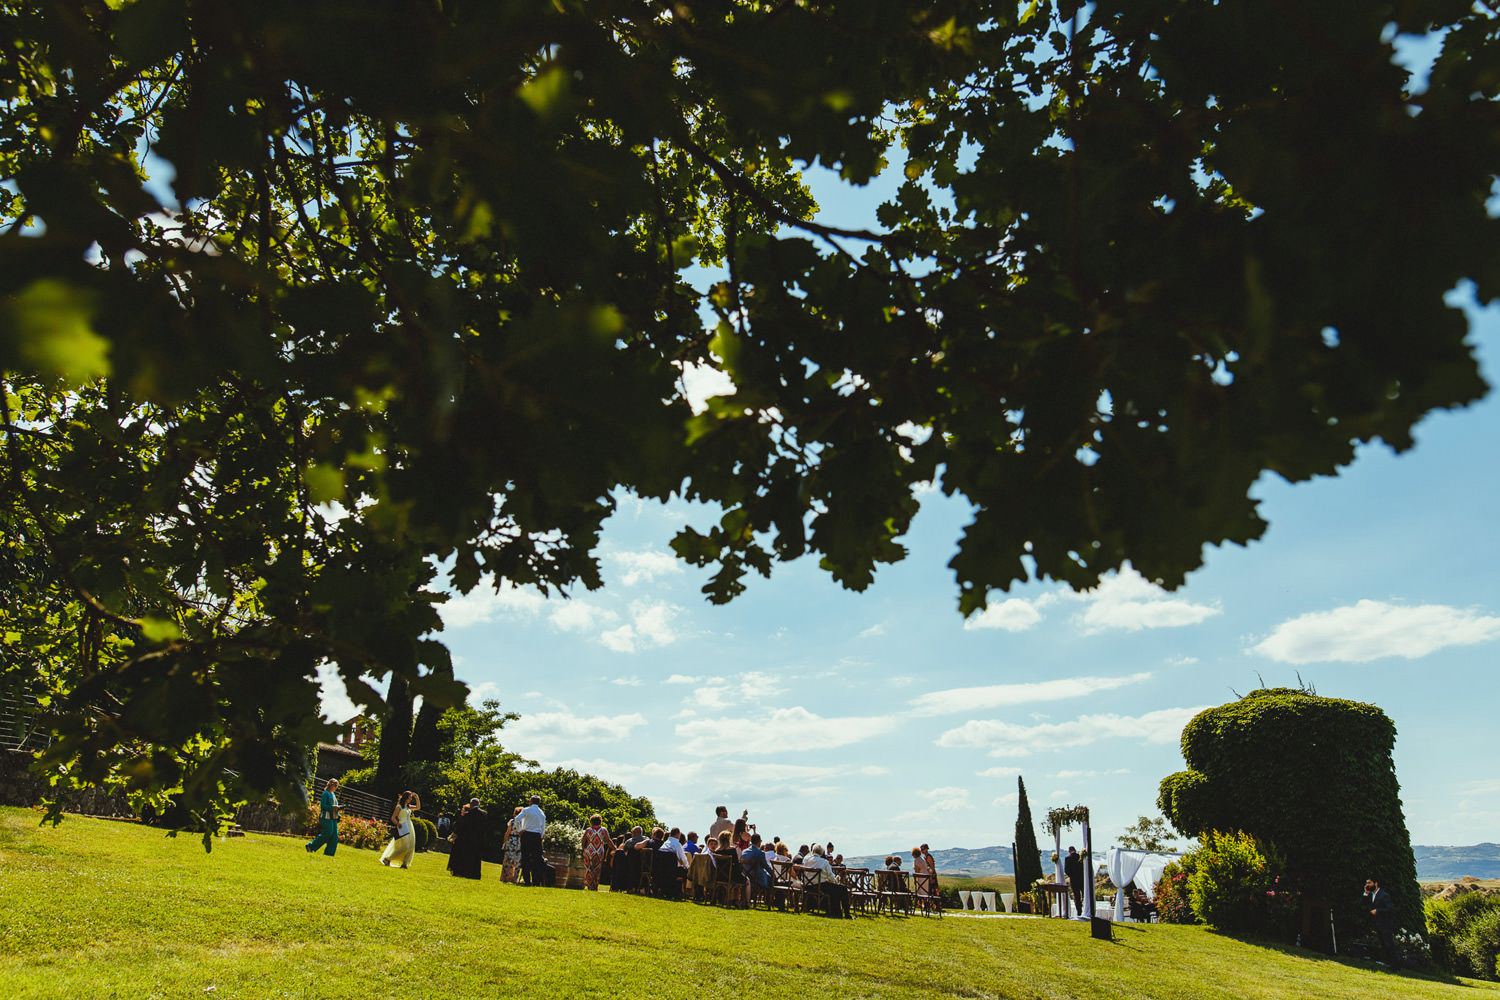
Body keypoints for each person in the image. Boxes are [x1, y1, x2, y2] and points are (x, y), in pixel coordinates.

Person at [803, 844, 851, 918]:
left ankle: (835, 912)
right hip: (821, 886)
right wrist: (836, 881)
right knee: (842, 889)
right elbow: (831, 876)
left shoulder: (806, 860)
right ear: (822, 853)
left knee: (835, 889)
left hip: (808, 886)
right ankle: (846, 914)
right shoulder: (824, 862)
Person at [1364, 878, 1401, 968]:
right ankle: (1385, 962)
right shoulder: (1371, 895)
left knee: (1389, 943)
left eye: (1369, 883)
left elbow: (1390, 909)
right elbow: (1364, 905)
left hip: (1385, 924)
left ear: (1376, 883)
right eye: (1366, 883)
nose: (1367, 885)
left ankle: (1395, 965)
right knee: (1382, 943)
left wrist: (1378, 911)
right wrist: (1365, 893)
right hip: (1377, 923)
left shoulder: (1384, 895)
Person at [380, 790, 420, 869]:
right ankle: (387, 859)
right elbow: (393, 818)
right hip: (402, 827)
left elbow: (418, 807)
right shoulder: (399, 807)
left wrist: (417, 798)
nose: (410, 799)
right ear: (406, 798)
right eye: (410, 797)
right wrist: (397, 823)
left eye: (411, 798)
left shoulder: (408, 807)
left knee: (410, 846)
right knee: (404, 847)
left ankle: (404, 863)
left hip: (409, 827)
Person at [447, 798, 485, 879]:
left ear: (471, 804)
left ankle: (463, 871)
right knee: (475, 857)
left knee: (465, 856)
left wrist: (454, 835)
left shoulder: (468, 815)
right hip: (477, 840)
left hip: (466, 839)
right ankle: (474, 874)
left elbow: (461, 827)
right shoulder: (484, 814)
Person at [304, 778, 340, 856]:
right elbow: (323, 806)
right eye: (335, 785)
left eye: (337, 786)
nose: (336, 787)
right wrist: (333, 808)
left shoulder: (333, 795)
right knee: (327, 833)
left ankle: (329, 854)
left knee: (334, 837)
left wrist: (338, 814)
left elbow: (336, 807)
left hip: (333, 818)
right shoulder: (325, 793)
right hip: (325, 817)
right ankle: (311, 846)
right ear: (330, 785)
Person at [516, 795, 546, 886]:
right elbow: (543, 828)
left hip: (527, 834)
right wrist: (541, 836)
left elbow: (517, 819)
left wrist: (519, 830)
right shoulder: (542, 813)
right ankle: (536, 881)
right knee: (536, 859)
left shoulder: (526, 810)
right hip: (537, 836)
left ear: (531, 801)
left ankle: (527, 880)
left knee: (525, 858)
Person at [581, 815, 616, 892]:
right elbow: (608, 840)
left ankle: (589, 885)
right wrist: (614, 848)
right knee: (597, 869)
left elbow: (583, 840)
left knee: (588, 869)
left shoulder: (588, 830)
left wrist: (583, 849)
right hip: (599, 852)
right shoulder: (603, 830)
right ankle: (595, 886)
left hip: (589, 851)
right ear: (600, 821)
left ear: (591, 821)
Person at [741, 832, 773, 900]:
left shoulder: (744, 851)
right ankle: (769, 901)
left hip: (745, 876)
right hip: (757, 878)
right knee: (771, 879)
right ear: (759, 842)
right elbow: (766, 866)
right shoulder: (760, 853)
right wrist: (773, 874)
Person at [501, 806, 523, 884]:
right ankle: (514, 878)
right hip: (519, 841)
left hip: (511, 840)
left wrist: (504, 842)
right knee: (517, 860)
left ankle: (505, 877)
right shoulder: (523, 823)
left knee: (508, 859)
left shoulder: (512, 821)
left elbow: (507, 832)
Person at [1064, 846, 1085, 915]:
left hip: (1074, 880)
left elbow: (1066, 870)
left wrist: (1072, 876)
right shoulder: (1081, 857)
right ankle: (1086, 908)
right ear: (1075, 850)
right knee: (1085, 894)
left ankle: (1079, 911)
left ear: (1069, 851)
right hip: (1082, 879)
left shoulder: (1067, 859)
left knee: (1077, 896)